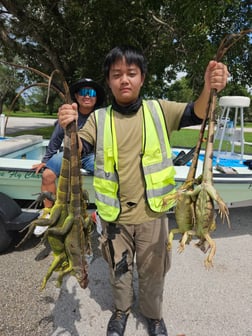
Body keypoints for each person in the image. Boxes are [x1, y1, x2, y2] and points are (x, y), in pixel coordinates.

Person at [58, 46, 228, 336]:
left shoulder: (159, 110)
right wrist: (69, 127)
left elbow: (198, 111)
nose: (124, 80)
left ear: (142, 78)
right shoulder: (98, 119)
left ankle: (153, 315)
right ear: (109, 82)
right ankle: (122, 311)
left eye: (131, 73)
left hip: (154, 215)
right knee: (118, 269)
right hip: (115, 218)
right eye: (117, 75)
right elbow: (77, 148)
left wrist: (208, 86)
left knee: (153, 271)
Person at [32, 77, 105, 212]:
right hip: (68, 154)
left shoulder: (102, 116)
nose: (87, 96)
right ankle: (48, 212)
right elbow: (56, 138)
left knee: (108, 174)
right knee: (47, 174)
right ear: (76, 96)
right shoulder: (67, 114)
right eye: (83, 92)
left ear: (96, 98)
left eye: (92, 93)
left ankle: (103, 211)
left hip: (91, 155)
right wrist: (46, 160)